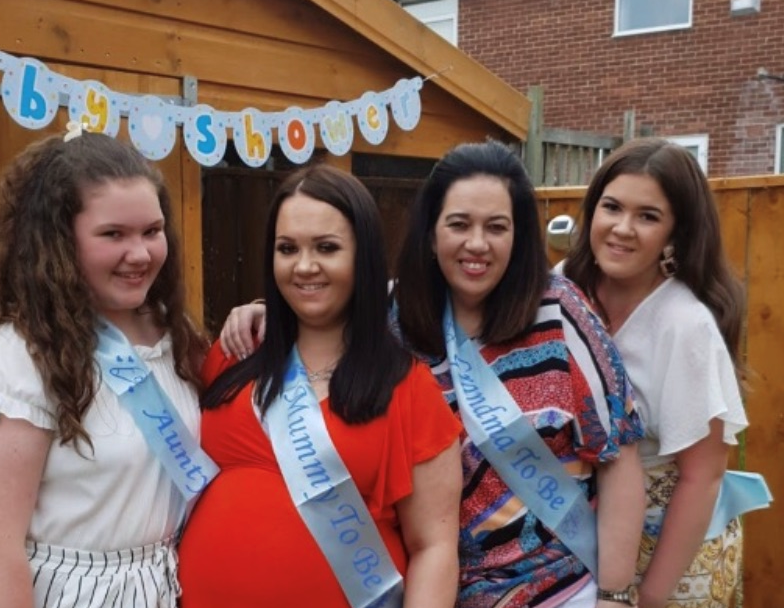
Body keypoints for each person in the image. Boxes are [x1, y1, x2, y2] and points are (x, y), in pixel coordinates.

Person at [219, 142, 646, 608]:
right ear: (430, 232)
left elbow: (618, 458)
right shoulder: (389, 316)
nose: (476, 244)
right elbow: (318, 305)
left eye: (496, 227)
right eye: (459, 224)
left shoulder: (563, 315)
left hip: (555, 589)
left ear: (520, 236)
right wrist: (260, 312)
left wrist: (615, 596)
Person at [0, 129, 210, 608]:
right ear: (60, 241)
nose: (141, 254)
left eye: (152, 230)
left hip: (155, 585)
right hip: (52, 591)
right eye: (113, 235)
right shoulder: (17, 355)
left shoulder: (174, 333)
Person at [178, 163, 463, 608]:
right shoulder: (233, 354)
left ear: (363, 257)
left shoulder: (409, 389)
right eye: (287, 248)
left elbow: (435, 548)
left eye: (327, 248)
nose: (304, 266)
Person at [563, 138, 752, 608]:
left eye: (648, 216)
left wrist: (648, 597)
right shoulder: (562, 287)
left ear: (675, 231)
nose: (622, 229)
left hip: (672, 552)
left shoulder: (686, 325)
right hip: (581, 535)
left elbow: (702, 477)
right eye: (612, 207)